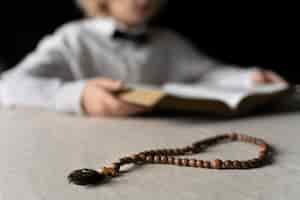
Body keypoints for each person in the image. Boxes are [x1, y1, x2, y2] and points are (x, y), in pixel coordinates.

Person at [0, 0, 287, 117]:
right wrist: (79, 95)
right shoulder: (73, 38)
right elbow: (9, 84)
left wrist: (247, 77)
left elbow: (207, 73)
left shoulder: (167, 41)